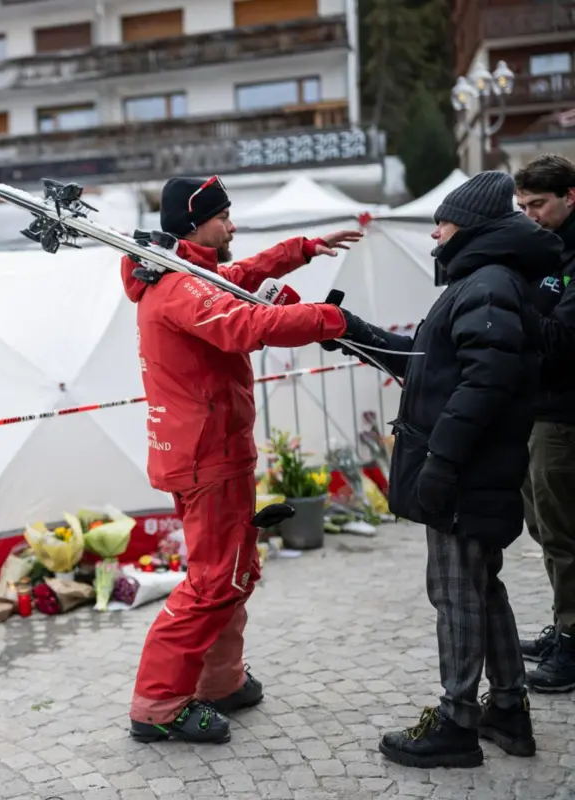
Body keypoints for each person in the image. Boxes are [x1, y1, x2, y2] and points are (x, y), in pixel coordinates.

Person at [329, 171, 561, 768]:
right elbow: (428, 367)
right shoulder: (484, 282)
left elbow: (486, 384)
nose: (435, 233)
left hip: (468, 473)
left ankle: (457, 721)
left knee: (456, 593)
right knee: (482, 590)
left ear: (472, 226)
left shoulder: (488, 284)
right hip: (474, 469)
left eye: (443, 221)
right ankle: (507, 708)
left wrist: (441, 461)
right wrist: (350, 332)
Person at [124, 174, 364, 744]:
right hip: (208, 454)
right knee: (213, 582)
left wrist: (301, 251)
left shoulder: (187, 275)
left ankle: (220, 681)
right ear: (194, 223)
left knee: (233, 572)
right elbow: (244, 323)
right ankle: (159, 704)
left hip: (211, 448)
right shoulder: (180, 289)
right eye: (224, 216)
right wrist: (330, 321)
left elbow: (235, 279)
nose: (232, 226)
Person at [513, 153, 575, 693]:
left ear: (570, 197)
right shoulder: (546, 251)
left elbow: (559, 339)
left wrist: (516, 309)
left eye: (539, 204)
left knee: (564, 532)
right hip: (539, 408)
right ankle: (565, 626)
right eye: (522, 206)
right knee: (545, 529)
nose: (529, 215)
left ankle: (574, 641)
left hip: (564, 413)